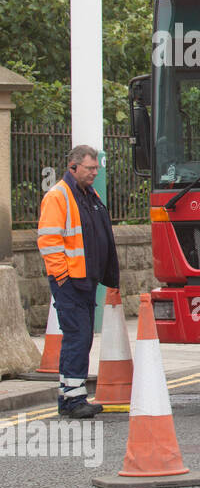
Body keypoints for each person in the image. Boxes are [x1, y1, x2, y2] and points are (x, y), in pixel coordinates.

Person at [37, 145, 120, 419]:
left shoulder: (89, 194)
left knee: (80, 339)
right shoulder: (58, 196)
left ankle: (69, 396)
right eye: (90, 168)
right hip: (70, 281)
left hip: (85, 280)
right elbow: (48, 240)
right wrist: (62, 276)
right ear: (73, 168)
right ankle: (74, 400)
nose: (95, 173)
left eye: (96, 168)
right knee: (78, 337)